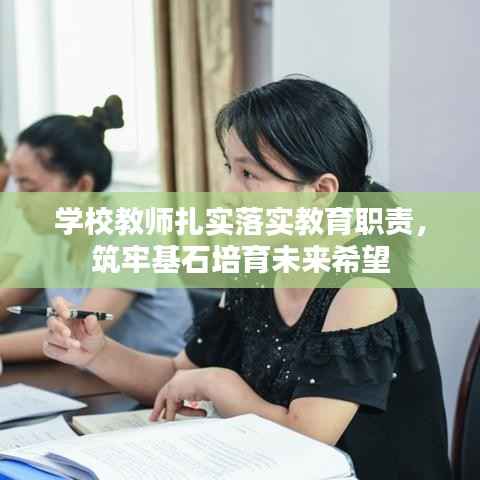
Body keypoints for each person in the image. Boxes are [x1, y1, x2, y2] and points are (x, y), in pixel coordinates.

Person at [43, 78, 451, 480]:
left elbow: (307, 436)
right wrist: (97, 352)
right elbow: (176, 377)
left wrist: (220, 384)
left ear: (322, 191)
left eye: (249, 175)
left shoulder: (363, 288)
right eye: (230, 168)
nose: (227, 191)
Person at [0, 96, 193, 361]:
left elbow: (80, 332)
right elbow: (6, 300)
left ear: (82, 187)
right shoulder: (52, 232)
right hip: (89, 374)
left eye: (30, 189)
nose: (18, 202)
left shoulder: (130, 234)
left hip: (158, 380)